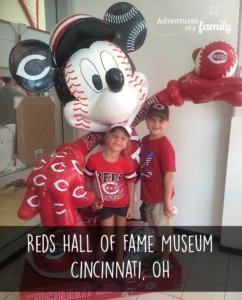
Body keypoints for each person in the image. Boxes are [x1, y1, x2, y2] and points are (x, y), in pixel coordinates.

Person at [84, 124, 137, 280]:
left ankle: (119, 266)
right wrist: (93, 198)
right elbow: (87, 179)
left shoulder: (127, 163)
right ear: (107, 137)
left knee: (120, 235)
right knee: (108, 235)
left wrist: (131, 207)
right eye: (114, 136)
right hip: (105, 205)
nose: (118, 140)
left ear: (127, 143)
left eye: (123, 138)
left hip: (122, 205)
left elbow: (131, 184)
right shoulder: (94, 160)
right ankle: (98, 265)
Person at [140, 102, 176, 267]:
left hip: (161, 198)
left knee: (164, 231)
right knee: (154, 228)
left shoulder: (165, 146)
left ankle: (165, 258)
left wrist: (167, 202)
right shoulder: (145, 140)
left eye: (161, 120)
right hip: (148, 195)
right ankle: (157, 251)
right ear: (146, 120)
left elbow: (169, 175)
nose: (156, 124)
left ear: (167, 122)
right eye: (152, 119)